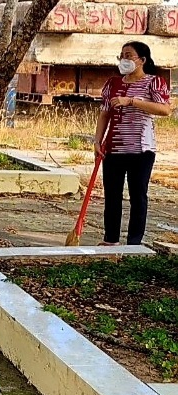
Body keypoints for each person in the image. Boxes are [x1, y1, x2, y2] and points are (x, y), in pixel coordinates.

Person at [95, 41, 171, 246]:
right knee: (112, 195)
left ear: (142, 60)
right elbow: (104, 114)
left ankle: (134, 242)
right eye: (121, 55)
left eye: (129, 55)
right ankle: (110, 239)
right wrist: (97, 141)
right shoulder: (112, 83)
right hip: (114, 148)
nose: (124, 60)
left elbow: (165, 110)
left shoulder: (154, 82)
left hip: (141, 150)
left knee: (138, 195)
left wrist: (132, 101)